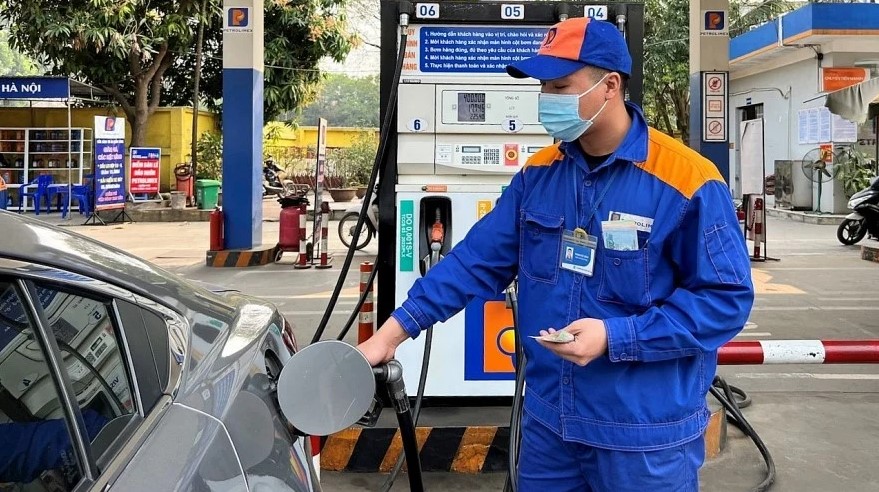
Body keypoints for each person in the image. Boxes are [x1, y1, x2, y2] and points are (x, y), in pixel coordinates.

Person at [358, 16, 754, 491]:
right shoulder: (539, 174)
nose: (548, 98)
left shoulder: (687, 182)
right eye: (544, 87)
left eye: (561, 86)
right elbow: (473, 261)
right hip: (550, 424)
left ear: (610, 87)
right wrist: (391, 335)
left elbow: (725, 300)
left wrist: (615, 335)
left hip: (642, 435)